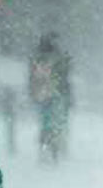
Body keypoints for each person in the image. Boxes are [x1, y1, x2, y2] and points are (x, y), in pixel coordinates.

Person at [28, 32, 72, 162]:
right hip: (55, 93)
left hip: (44, 94)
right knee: (55, 121)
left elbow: (33, 77)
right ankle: (53, 144)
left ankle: (46, 145)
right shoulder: (58, 57)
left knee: (46, 121)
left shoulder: (38, 58)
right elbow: (64, 74)